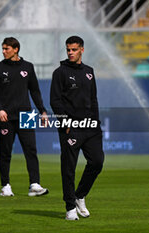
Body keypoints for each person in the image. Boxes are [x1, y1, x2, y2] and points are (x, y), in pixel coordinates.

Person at [50, 36, 104, 220]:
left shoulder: (89, 72)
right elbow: (55, 101)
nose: (70, 53)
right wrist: (64, 121)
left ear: (82, 49)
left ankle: (80, 195)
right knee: (68, 168)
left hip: (90, 127)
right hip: (70, 127)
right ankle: (70, 207)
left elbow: (94, 99)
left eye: (74, 49)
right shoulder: (60, 72)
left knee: (97, 162)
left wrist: (96, 122)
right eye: (68, 50)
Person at [0, 37, 49, 197]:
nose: (3, 51)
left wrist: (42, 110)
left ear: (16, 49)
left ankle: (35, 185)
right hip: (6, 116)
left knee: (31, 150)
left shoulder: (27, 67)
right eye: (2, 49)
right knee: (5, 152)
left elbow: (35, 91)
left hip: (27, 115)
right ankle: (5, 186)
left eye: (6, 49)